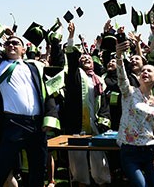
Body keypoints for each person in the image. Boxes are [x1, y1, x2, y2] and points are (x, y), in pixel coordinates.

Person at [0, 34, 60, 187]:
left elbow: (48, 90)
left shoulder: (34, 67)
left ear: (24, 49)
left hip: (37, 125)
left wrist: (50, 118)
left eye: (15, 43)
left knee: (38, 170)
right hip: (13, 123)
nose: (11, 45)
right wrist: (2, 30)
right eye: (8, 43)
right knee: (2, 169)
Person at [64, 22, 112, 186]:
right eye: (82, 58)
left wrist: (104, 119)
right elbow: (71, 58)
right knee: (78, 161)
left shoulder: (100, 80)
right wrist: (71, 37)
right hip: (77, 123)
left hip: (95, 122)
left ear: (94, 63)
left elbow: (105, 104)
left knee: (99, 159)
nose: (85, 58)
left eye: (89, 58)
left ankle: (103, 182)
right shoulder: (75, 75)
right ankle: (81, 183)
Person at [115, 40, 154, 187]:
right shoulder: (129, 93)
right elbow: (121, 78)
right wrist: (119, 56)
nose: (144, 72)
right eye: (143, 70)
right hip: (130, 151)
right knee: (140, 185)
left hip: (150, 151)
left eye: (149, 70)